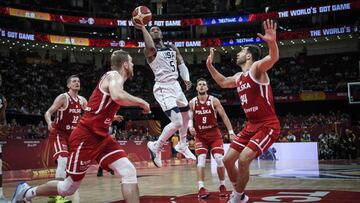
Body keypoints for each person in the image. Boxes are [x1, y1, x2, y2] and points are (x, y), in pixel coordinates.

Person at [12, 50, 150, 203]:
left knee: (128, 170)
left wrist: (112, 117)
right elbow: (117, 96)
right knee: (68, 188)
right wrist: (141, 102)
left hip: (101, 137)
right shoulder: (113, 76)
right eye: (131, 62)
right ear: (125, 65)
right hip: (86, 136)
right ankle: (27, 192)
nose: (133, 65)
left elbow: (98, 108)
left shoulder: (114, 82)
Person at [206, 19, 280, 203]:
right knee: (227, 160)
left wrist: (271, 42)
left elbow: (272, 58)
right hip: (251, 125)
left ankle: (237, 197)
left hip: (267, 125)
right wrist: (210, 66)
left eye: (241, 51)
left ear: (248, 56)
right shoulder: (239, 77)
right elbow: (223, 82)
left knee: (244, 159)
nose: (237, 53)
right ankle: (240, 194)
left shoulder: (256, 69)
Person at [133, 22, 196, 167]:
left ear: (161, 33)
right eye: (152, 30)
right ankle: (156, 146)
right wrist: (143, 27)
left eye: (157, 29)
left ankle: (182, 144)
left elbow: (181, 63)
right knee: (177, 122)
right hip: (163, 87)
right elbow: (150, 47)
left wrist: (186, 79)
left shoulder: (172, 47)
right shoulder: (149, 51)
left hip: (176, 85)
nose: (155, 31)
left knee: (187, 114)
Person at [188, 78, 235, 199]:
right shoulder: (192, 102)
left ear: (207, 88)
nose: (202, 86)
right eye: (199, 85)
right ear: (197, 88)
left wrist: (231, 132)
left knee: (219, 159)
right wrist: (190, 127)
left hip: (214, 135)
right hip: (200, 136)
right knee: (201, 160)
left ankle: (222, 186)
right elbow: (189, 118)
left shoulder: (214, 101)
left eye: (204, 84)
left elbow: (224, 116)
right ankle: (201, 188)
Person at [44, 75, 87, 203]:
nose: (77, 83)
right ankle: (58, 196)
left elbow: (93, 114)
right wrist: (49, 122)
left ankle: (53, 193)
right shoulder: (63, 97)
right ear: (68, 85)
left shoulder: (82, 100)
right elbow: (48, 112)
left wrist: (110, 117)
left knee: (71, 165)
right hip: (59, 133)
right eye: (74, 81)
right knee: (63, 160)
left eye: (78, 81)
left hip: (73, 135)